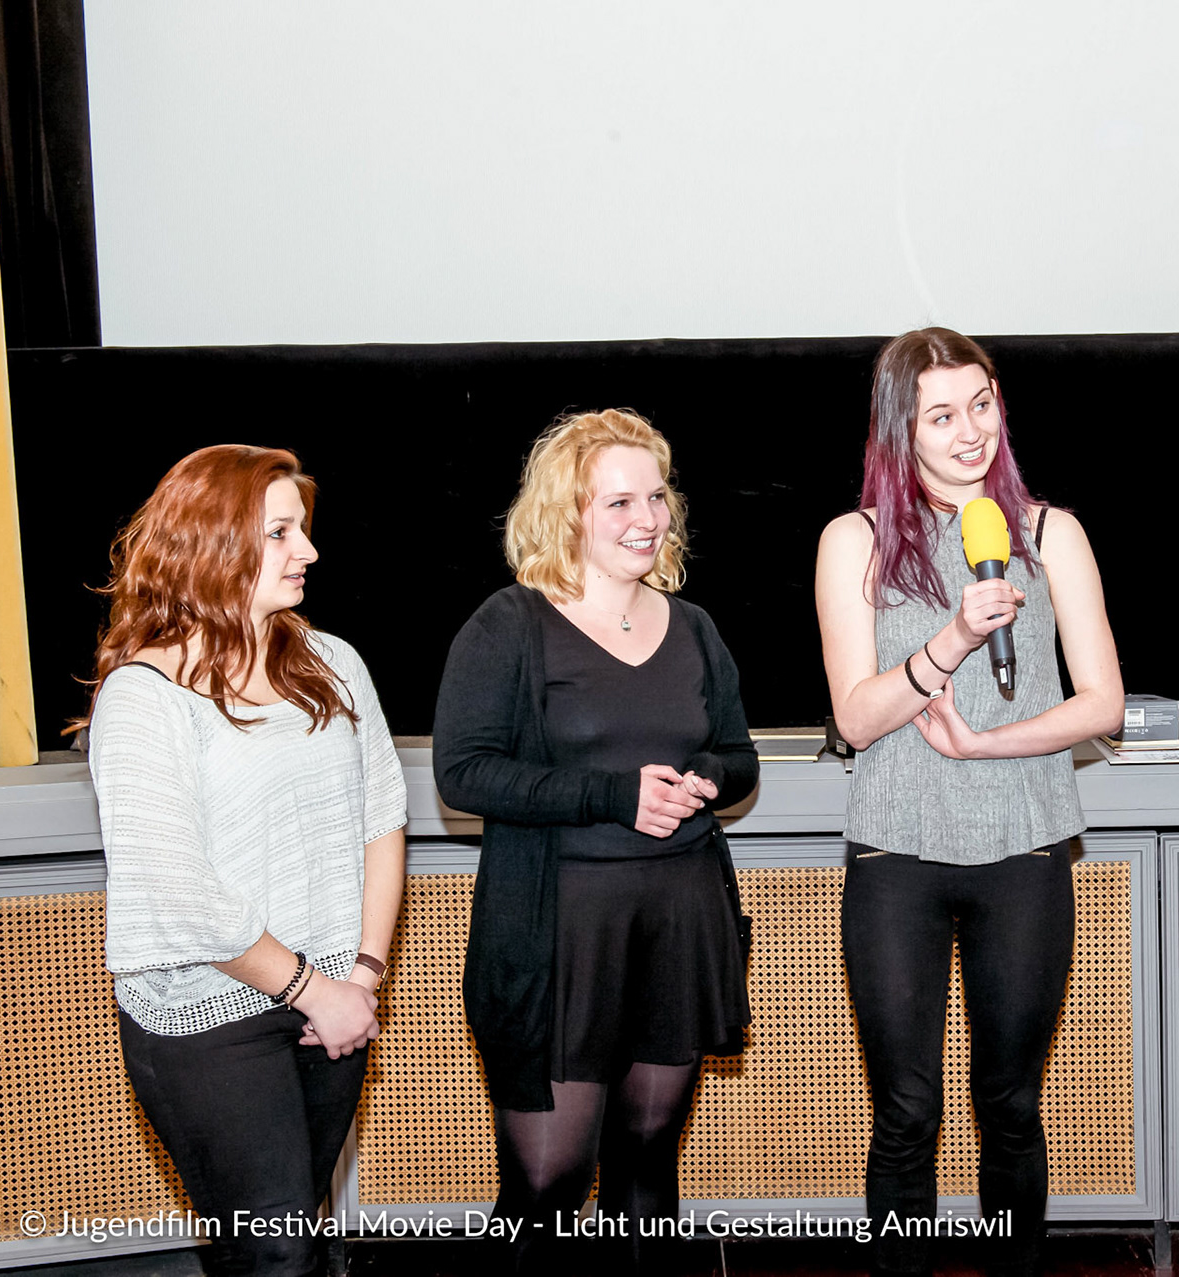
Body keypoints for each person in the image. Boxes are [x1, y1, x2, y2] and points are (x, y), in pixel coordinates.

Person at [814, 328, 1123, 1276]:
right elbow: (856, 716)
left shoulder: (1050, 533)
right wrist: (950, 638)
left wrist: (985, 742)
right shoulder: (854, 540)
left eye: (981, 405)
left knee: (1011, 1104)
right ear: (899, 430)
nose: (970, 431)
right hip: (897, 850)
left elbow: (1102, 704)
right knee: (906, 1111)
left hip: (1023, 843)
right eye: (942, 415)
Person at [434, 408, 758, 1273]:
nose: (647, 518)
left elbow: (739, 758)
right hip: (558, 944)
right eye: (618, 502)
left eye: (656, 496)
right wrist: (613, 795)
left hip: (678, 926)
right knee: (547, 1182)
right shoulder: (509, 624)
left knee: (647, 1167)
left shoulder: (693, 626)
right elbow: (464, 774)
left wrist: (705, 777)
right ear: (565, 513)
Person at [83, 445, 407, 1277]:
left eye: (302, 529)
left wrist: (361, 976)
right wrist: (315, 989)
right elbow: (179, 891)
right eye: (281, 533)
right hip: (207, 1013)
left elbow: (382, 818)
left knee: (291, 1235)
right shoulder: (144, 696)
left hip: (333, 1002)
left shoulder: (334, 663)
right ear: (213, 542)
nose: (309, 551)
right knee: (276, 1249)